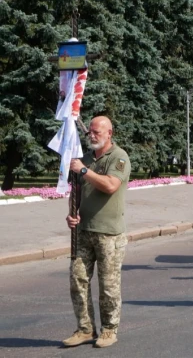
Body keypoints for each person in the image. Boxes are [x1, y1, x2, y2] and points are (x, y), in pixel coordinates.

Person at [62, 116, 130, 348]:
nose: (91, 135)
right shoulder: (87, 158)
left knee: (108, 285)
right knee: (77, 279)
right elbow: (77, 191)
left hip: (109, 234)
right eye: (90, 131)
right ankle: (85, 328)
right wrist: (73, 213)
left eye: (97, 132)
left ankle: (109, 330)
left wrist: (84, 170)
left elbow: (111, 185)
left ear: (109, 133)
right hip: (84, 231)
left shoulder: (118, 157)